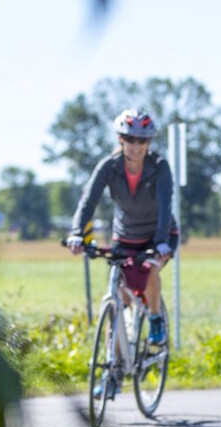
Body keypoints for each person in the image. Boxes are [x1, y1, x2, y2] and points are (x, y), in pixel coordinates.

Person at [67, 109, 177, 348]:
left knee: (149, 269)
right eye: (129, 140)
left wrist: (160, 242)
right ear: (120, 139)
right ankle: (112, 371)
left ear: (148, 143)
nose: (135, 147)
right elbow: (88, 201)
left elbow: (165, 205)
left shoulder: (159, 167)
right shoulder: (109, 166)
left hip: (159, 233)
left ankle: (156, 318)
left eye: (142, 141)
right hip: (126, 235)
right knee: (118, 300)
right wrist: (77, 232)